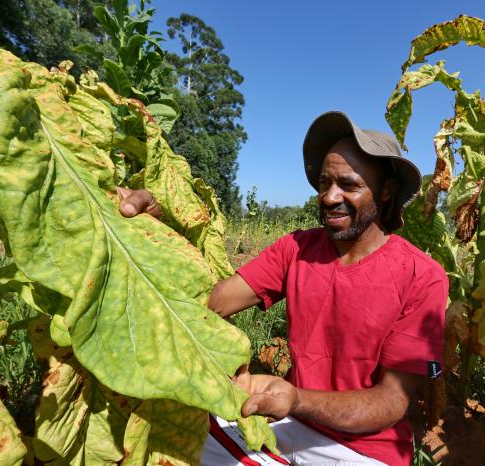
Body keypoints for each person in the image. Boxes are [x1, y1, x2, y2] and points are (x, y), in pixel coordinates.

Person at [119, 111, 448, 466]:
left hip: (364, 450)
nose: (329, 197)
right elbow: (211, 302)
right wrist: (153, 232)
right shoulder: (298, 249)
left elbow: (392, 401)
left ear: (385, 191)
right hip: (289, 423)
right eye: (324, 183)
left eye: (349, 185)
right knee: (171, 438)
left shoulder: (422, 276)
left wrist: (298, 399)